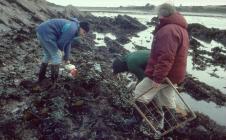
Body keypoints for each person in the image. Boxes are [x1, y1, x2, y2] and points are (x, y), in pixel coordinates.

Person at [134, 3, 189, 130]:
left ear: (162, 14)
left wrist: (158, 78)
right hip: (175, 74)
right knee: (167, 100)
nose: (157, 16)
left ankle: (135, 121)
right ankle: (168, 129)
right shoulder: (181, 29)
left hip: (165, 74)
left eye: (158, 13)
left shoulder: (168, 30)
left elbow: (166, 57)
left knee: (139, 92)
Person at [36, 18, 90, 85]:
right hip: (47, 33)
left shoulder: (74, 27)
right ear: (80, 27)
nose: (83, 35)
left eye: (85, 33)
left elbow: (68, 43)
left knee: (48, 55)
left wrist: (66, 58)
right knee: (57, 56)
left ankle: (41, 78)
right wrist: (61, 52)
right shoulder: (72, 29)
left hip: (41, 31)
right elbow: (61, 43)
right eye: (84, 32)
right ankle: (53, 82)